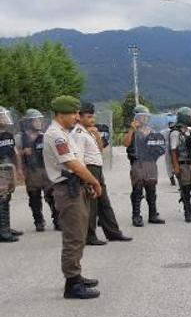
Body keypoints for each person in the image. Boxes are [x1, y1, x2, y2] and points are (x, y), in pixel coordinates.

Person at [43, 96, 103, 299]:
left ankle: (76, 275)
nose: (77, 117)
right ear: (62, 114)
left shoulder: (64, 134)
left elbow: (79, 162)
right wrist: (94, 182)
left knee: (79, 233)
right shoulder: (56, 136)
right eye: (74, 113)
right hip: (67, 190)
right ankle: (72, 283)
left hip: (76, 187)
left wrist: (87, 183)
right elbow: (73, 165)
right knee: (74, 236)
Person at [72, 102, 131, 245]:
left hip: (97, 168)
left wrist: (97, 135)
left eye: (93, 117)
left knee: (104, 202)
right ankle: (89, 236)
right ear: (79, 117)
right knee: (92, 204)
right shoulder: (78, 134)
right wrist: (86, 178)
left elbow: (100, 150)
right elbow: (78, 158)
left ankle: (113, 232)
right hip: (89, 169)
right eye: (88, 117)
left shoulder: (89, 131)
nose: (92, 120)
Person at [125, 105, 167, 226]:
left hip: (150, 162)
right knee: (137, 189)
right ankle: (136, 216)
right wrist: (131, 130)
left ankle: (153, 214)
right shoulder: (132, 130)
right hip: (138, 162)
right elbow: (126, 143)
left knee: (151, 189)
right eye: (142, 116)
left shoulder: (151, 130)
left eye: (146, 117)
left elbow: (158, 144)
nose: (145, 119)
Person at [18, 109, 58, 231]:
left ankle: (57, 220)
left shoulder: (45, 136)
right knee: (34, 198)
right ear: (29, 122)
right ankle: (39, 221)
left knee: (52, 196)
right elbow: (15, 153)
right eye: (36, 120)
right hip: (32, 171)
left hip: (46, 169)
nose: (39, 122)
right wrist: (22, 155)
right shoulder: (21, 138)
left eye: (40, 120)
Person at [0, 106, 23, 242]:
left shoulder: (7, 135)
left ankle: (5, 227)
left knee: (6, 199)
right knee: (1, 200)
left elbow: (14, 152)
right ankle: (3, 232)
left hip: (7, 169)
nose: (4, 118)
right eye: (1, 116)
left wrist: (19, 169)